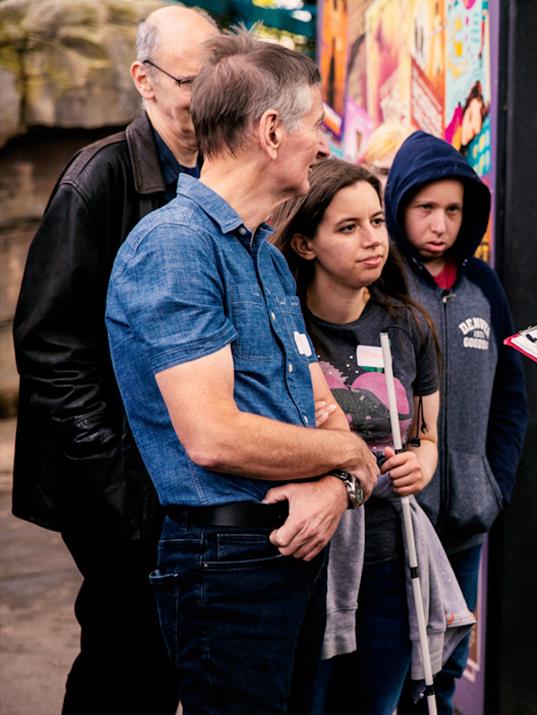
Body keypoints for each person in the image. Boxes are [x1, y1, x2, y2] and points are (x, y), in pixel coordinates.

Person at [105, 32, 380, 714]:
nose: (323, 143)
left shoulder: (266, 255)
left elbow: (320, 405)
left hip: (287, 549)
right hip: (224, 561)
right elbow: (214, 436)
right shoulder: (174, 247)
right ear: (269, 129)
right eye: (316, 123)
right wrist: (350, 457)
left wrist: (338, 484)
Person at [11, 6, 218, 713]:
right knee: (123, 660)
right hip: (116, 482)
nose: (212, 92)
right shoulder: (96, 179)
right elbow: (48, 344)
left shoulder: (218, 171)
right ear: (145, 80)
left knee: (174, 658)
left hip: (185, 471)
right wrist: (122, 485)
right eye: (195, 78)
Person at [269, 158, 470, 714]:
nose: (373, 240)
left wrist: (423, 465)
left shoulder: (409, 326)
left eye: (377, 222)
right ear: (306, 244)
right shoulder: (282, 330)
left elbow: (427, 438)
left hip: (389, 560)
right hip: (305, 561)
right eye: (349, 227)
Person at [384, 130, 528, 714]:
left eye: (453, 210)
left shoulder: (483, 285)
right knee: (393, 659)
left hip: (467, 516)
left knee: (445, 654)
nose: (440, 224)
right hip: (397, 519)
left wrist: (495, 484)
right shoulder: (384, 284)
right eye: (425, 208)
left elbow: (511, 394)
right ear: (398, 206)